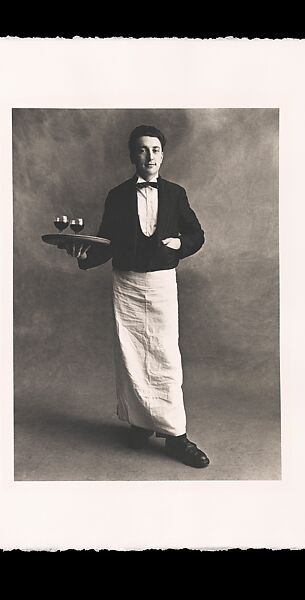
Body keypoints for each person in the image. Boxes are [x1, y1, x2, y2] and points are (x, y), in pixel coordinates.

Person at [65, 125, 209, 468]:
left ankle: (176, 436)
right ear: (133, 156)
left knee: (164, 358)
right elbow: (107, 242)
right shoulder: (117, 195)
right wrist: (85, 257)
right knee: (131, 356)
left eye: (156, 150)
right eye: (143, 150)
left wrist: (181, 244)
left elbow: (196, 233)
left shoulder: (176, 193)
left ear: (163, 154)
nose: (150, 156)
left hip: (160, 283)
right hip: (126, 285)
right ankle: (141, 424)